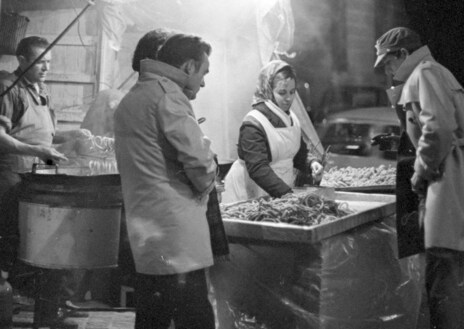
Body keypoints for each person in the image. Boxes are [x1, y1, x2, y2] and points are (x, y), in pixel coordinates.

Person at [114, 33, 219, 329]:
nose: (203, 82)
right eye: (203, 72)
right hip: (178, 237)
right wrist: (208, 180)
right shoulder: (169, 96)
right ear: (188, 66)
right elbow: (199, 162)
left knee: (152, 316)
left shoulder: (132, 97)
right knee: (195, 318)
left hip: (146, 233)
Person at [374, 26, 464, 329]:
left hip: (446, 187)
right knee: (446, 277)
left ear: (402, 54)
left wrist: (419, 173)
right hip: (451, 186)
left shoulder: (423, 74)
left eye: (388, 62)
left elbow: (437, 129)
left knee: (444, 283)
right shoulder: (433, 72)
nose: (387, 69)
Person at [222, 59, 323, 204]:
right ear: (268, 90)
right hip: (250, 195)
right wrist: (287, 195)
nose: (288, 98)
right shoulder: (253, 123)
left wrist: (312, 163)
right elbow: (258, 168)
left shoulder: (291, 119)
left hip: (279, 194)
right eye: (282, 92)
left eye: (292, 92)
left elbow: (298, 154)